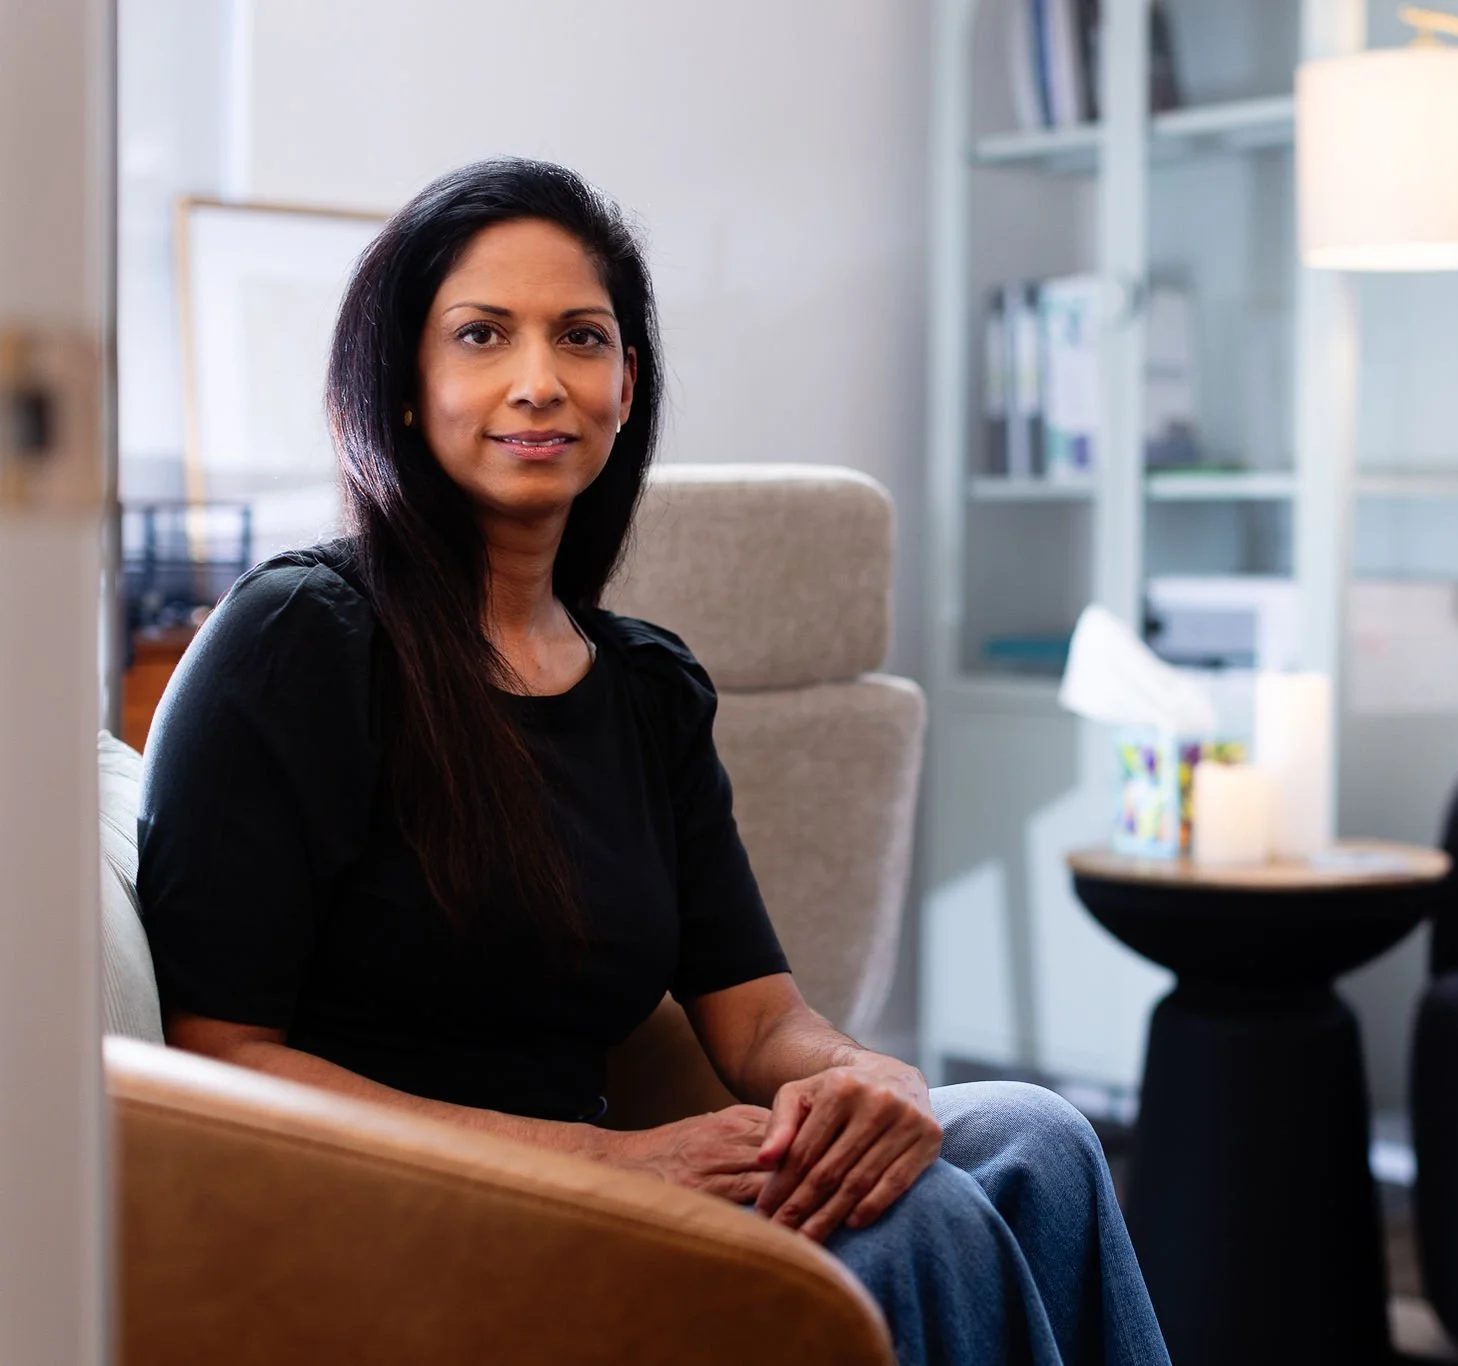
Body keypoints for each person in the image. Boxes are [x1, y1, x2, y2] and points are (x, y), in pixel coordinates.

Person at [138, 157, 1170, 1366]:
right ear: (406, 387)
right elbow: (219, 1054)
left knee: (1037, 1138)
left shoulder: (645, 687)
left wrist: (865, 1074)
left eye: (581, 337)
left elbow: (759, 1018)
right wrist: (611, 1161)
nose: (540, 381)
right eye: (482, 335)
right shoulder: (300, 638)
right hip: (391, 1223)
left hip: (599, 1193)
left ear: (626, 388)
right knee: (919, 1222)